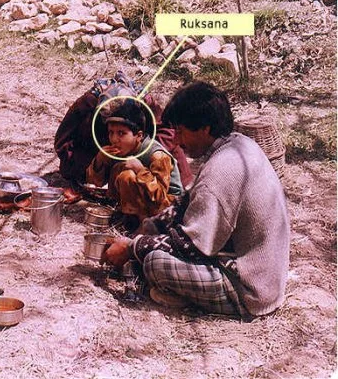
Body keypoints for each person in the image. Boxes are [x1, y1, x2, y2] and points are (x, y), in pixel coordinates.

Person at [104, 81, 290, 319]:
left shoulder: (222, 169)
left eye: (181, 132)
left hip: (250, 290)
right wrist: (151, 227)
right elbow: (187, 201)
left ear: (204, 128)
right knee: (151, 248)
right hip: (264, 274)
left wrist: (132, 247)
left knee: (155, 263)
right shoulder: (237, 144)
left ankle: (179, 295)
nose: (178, 141)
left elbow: (190, 246)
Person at [54, 70, 193, 188]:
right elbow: (62, 141)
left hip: (139, 150)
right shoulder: (88, 103)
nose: (114, 136)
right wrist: (97, 161)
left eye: (120, 129)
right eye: (111, 129)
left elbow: (169, 133)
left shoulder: (144, 102)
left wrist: (140, 151)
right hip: (97, 148)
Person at [85, 101, 183, 230]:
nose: (114, 139)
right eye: (111, 132)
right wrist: (100, 159)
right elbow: (94, 183)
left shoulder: (157, 155)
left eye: (121, 133)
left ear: (139, 136)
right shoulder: (123, 149)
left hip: (169, 207)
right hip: (145, 202)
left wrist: (140, 170)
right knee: (120, 168)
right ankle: (125, 216)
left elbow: (160, 197)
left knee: (127, 176)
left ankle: (142, 227)